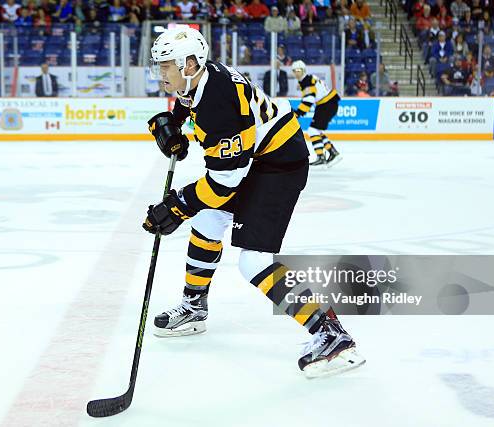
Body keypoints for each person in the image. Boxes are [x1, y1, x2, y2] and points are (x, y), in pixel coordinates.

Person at [145, 27, 364, 378]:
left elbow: (223, 183)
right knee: (206, 222)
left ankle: (330, 334)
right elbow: (190, 103)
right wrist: (175, 122)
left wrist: (177, 205)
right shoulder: (200, 77)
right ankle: (195, 307)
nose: (161, 73)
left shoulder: (218, 104)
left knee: (253, 261)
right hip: (258, 159)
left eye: (166, 66)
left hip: (279, 165)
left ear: (188, 64)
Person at [291, 60, 341, 168]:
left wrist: (298, 113)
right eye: (294, 71)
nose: (296, 73)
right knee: (316, 130)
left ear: (303, 70)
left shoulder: (306, 81)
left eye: (298, 70)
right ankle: (332, 152)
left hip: (327, 104)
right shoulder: (307, 79)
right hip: (327, 103)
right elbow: (309, 99)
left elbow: (309, 100)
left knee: (313, 130)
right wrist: (299, 112)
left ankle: (322, 156)